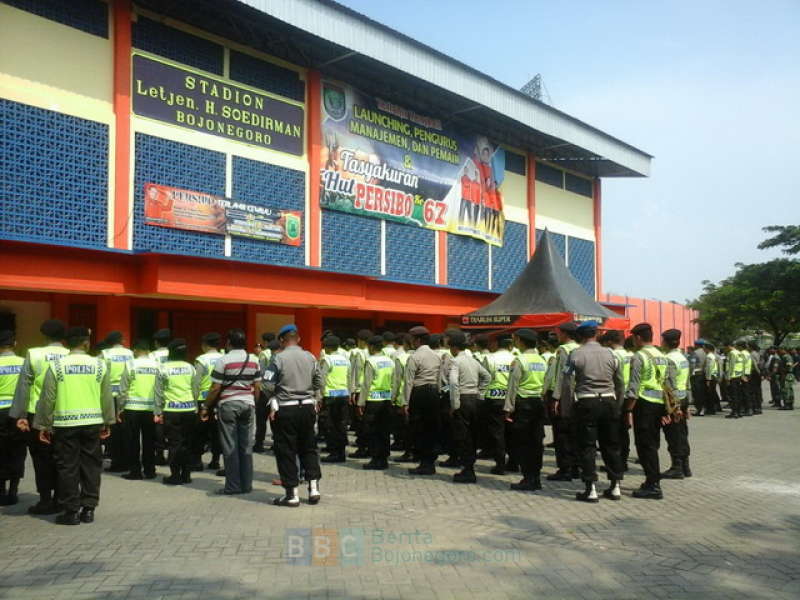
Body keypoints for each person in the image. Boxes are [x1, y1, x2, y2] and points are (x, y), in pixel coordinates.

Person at [33, 326, 115, 525]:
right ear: (86, 343)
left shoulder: (57, 366)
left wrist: (44, 424)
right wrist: (107, 421)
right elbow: (106, 397)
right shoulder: (100, 365)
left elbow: (48, 397)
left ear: (66, 344)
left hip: (65, 424)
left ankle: (71, 512)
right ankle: (89, 509)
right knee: (91, 466)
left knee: (67, 467)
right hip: (92, 422)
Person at [10, 318, 69, 515]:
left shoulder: (34, 354)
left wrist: (20, 415)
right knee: (62, 457)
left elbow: (24, 386)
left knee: (41, 458)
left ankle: (45, 500)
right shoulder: (70, 354)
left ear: (44, 336)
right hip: (63, 413)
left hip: (37, 414)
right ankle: (62, 498)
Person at [566, 322, 626, 502]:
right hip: (609, 401)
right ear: (595, 334)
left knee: (587, 446)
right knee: (611, 445)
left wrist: (568, 408)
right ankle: (615, 486)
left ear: (580, 336)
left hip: (586, 401)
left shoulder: (575, 354)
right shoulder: (611, 354)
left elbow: (568, 383)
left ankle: (590, 488)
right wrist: (618, 404)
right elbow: (620, 382)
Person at [264, 325, 322, 507]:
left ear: (282, 340)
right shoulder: (311, 357)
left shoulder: (277, 358)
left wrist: (274, 397)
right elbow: (320, 380)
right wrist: (313, 396)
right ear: (298, 339)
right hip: (307, 407)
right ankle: (313, 488)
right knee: (309, 447)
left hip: (286, 408)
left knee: (286, 450)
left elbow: (266, 383)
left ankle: (292, 494)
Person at [200, 329, 260, 495]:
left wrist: (205, 407)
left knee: (230, 447)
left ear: (228, 343)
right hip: (248, 405)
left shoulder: (223, 360)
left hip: (228, 405)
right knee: (246, 447)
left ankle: (233, 486)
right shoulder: (254, 359)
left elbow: (216, 387)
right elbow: (257, 386)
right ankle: (247, 485)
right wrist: (254, 402)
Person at [625, 322, 670, 500]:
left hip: (643, 405)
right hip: (659, 403)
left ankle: (653, 485)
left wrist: (628, 410)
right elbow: (667, 383)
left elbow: (634, 387)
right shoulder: (661, 355)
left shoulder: (639, 356)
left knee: (645, 446)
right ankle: (651, 480)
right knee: (652, 443)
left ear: (637, 338)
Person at [504, 329, 547, 491]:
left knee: (523, 442)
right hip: (538, 403)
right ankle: (535, 477)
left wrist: (508, 408)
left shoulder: (519, 360)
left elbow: (512, 386)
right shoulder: (542, 360)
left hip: (523, 404)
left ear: (521, 341)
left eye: (515, 339)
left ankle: (528, 478)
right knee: (536, 442)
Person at [154, 339, 199, 486]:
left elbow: (159, 393)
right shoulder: (190, 368)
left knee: (174, 443)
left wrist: (158, 412)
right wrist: (195, 406)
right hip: (189, 409)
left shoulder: (163, 368)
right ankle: (186, 475)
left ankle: (175, 475)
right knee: (187, 443)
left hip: (171, 410)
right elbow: (195, 389)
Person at [117, 339, 159, 480]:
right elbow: (160, 388)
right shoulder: (157, 365)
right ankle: (150, 470)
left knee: (132, 441)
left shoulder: (130, 364)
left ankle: (135, 471)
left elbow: (123, 389)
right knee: (149, 441)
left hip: (132, 408)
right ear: (148, 351)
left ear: (135, 351)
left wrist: (120, 408)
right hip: (150, 408)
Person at [403, 326, 443, 476]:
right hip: (433, 393)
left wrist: (405, 402)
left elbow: (408, 381)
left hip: (419, 393)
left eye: (412, 340)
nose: (411, 342)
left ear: (417, 340)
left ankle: (423, 463)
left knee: (419, 429)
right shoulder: (436, 356)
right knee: (431, 429)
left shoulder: (414, 357)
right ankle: (429, 462)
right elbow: (440, 378)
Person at [546, 322, 580, 481]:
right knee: (574, 433)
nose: (557, 335)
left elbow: (562, 376)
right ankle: (575, 467)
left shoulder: (563, 350)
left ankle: (565, 469)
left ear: (565, 334)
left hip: (564, 396)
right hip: (577, 395)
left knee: (561, 434)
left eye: (558, 333)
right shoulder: (579, 348)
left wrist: (556, 397)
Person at [359, 336, 396, 470]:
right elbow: (394, 381)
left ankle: (375, 459)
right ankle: (384, 458)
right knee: (384, 431)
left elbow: (366, 384)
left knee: (372, 431)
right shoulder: (390, 361)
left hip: (373, 400)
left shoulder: (371, 361)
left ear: (372, 347)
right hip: (386, 400)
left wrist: (361, 402)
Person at [660, 329, 693, 480]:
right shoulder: (682, 358)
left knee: (673, 435)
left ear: (666, 342)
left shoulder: (669, 359)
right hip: (683, 397)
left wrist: (675, 407)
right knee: (682, 433)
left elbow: (670, 383)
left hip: (674, 401)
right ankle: (685, 466)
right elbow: (687, 382)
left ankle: (677, 467)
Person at [483, 333, 516, 475]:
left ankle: (500, 464)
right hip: (512, 399)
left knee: (497, 432)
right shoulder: (516, 358)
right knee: (512, 432)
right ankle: (514, 463)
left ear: (496, 343)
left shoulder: (490, 358)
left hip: (494, 399)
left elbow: (484, 379)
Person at [101, 331, 134, 473]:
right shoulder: (130, 353)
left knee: (113, 431)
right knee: (126, 430)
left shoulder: (105, 354)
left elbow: (101, 375)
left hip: (111, 395)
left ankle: (116, 461)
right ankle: (127, 460)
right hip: (126, 395)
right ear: (121, 340)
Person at [0, 330, 25, 506]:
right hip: (18, 413)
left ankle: (1, 491)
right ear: (14, 344)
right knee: (17, 451)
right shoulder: (24, 363)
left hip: (0, 413)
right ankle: (14, 491)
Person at [192, 332, 224, 470]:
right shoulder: (224, 358)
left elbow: (196, 382)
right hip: (219, 399)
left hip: (203, 400)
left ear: (205, 345)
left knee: (199, 432)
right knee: (217, 431)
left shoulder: (201, 360)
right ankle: (215, 460)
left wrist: (193, 402)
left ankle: (197, 461)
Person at [319, 335, 352, 463]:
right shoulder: (345, 360)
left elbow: (321, 379)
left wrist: (319, 396)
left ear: (327, 347)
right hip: (343, 396)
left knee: (330, 426)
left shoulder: (327, 360)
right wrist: (348, 393)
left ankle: (333, 453)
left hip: (330, 397)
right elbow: (349, 378)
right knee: (342, 425)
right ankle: (341, 453)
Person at [348, 329, 372, 459]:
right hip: (372, 392)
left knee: (360, 421)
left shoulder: (359, 354)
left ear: (361, 341)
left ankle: (362, 448)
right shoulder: (377, 353)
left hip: (360, 390)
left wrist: (352, 390)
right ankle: (370, 447)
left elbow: (355, 374)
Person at [392, 334, 415, 462]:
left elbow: (397, 380)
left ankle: (407, 452)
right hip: (416, 395)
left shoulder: (401, 358)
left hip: (403, 397)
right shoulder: (419, 357)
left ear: (406, 344)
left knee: (404, 427)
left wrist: (393, 397)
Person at [150, 328, 171, 465]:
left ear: (156, 342)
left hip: (157, 391)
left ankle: (159, 454)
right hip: (170, 391)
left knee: (158, 424)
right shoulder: (173, 352)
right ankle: (172, 453)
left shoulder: (152, 355)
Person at [254, 333, 276, 453]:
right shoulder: (279, 352)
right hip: (275, 389)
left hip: (264, 388)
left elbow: (261, 371)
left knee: (261, 419)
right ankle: (276, 442)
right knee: (274, 417)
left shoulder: (263, 354)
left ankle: (259, 443)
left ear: (266, 342)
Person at [690, 339, 708, 416]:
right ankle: (703, 409)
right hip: (703, 374)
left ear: (696, 345)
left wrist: (690, 373)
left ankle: (699, 409)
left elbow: (692, 365)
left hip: (696, 375)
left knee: (696, 393)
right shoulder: (705, 352)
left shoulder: (695, 353)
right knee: (702, 392)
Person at [703, 343, 720, 415]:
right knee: (712, 393)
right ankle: (714, 408)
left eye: (704, 348)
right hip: (714, 376)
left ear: (707, 349)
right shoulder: (713, 356)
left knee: (709, 394)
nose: (703, 350)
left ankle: (710, 409)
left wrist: (708, 379)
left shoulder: (709, 356)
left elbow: (709, 368)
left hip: (711, 377)